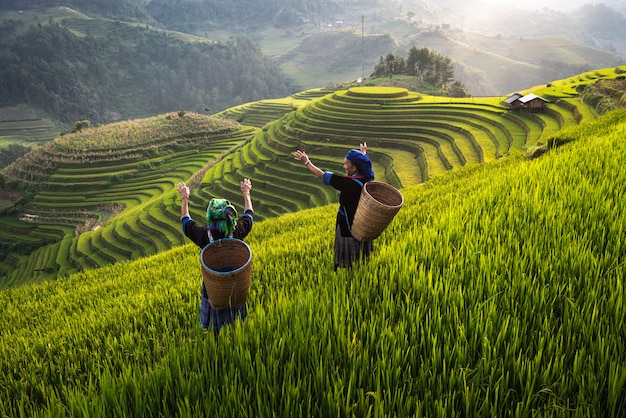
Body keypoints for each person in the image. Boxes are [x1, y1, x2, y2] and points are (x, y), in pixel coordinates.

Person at [177, 178, 254, 335]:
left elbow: (186, 221)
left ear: (210, 216)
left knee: (215, 325)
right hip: (235, 285)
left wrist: (185, 197)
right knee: (238, 322)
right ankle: (238, 336)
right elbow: (249, 215)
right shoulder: (238, 230)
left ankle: (217, 338)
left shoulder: (204, 235)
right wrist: (246, 192)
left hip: (214, 288)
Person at [294, 143, 375, 270]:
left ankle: (347, 268)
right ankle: (361, 266)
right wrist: (363, 154)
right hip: (362, 221)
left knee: (348, 247)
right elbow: (364, 163)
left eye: (347, 164)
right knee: (361, 248)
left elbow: (322, 175)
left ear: (354, 168)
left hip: (348, 222)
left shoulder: (348, 184)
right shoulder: (366, 178)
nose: (344, 166)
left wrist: (307, 162)